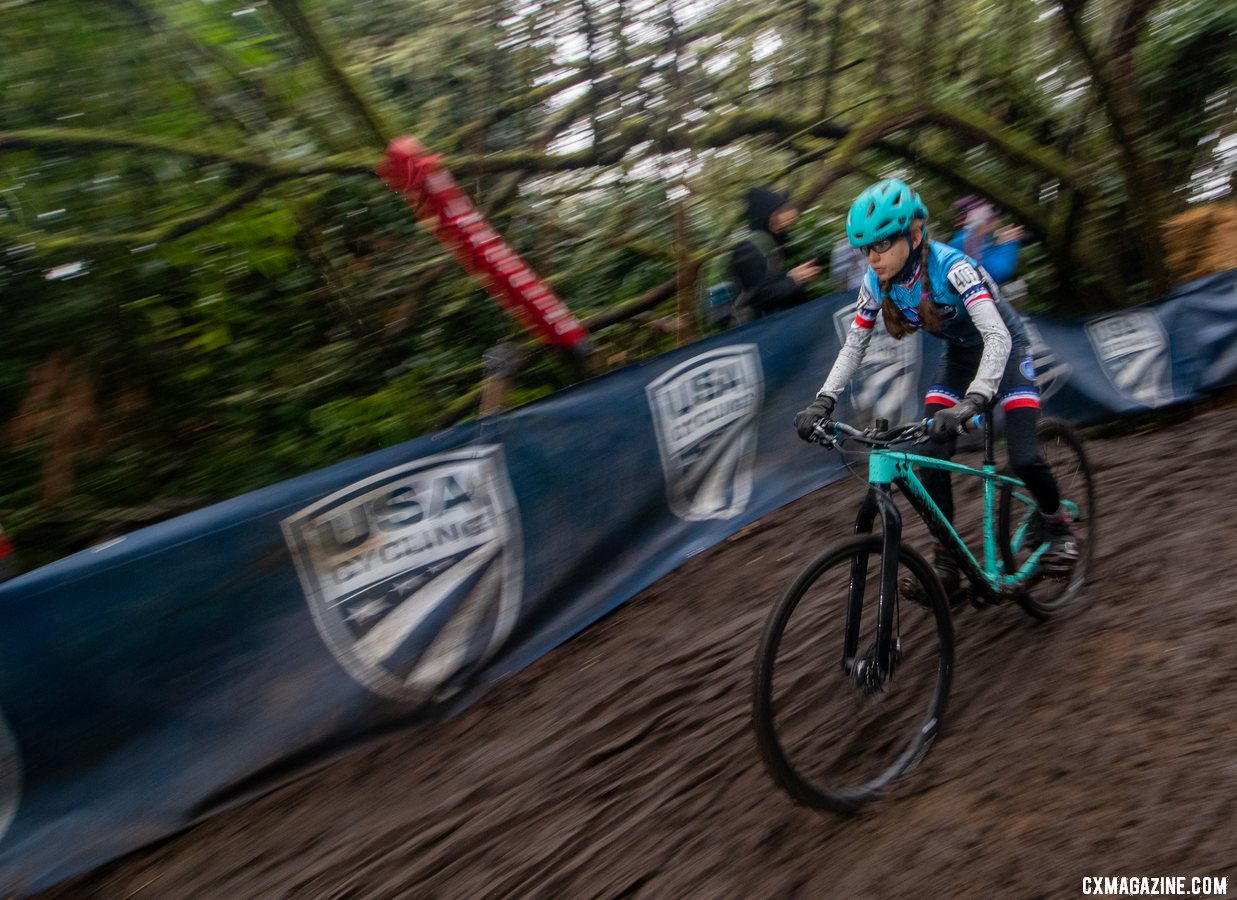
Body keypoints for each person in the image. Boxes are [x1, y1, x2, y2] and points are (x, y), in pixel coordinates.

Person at [793, 178, 1077, 601]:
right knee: (929, 458)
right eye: (865, 249)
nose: (874, 257)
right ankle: (947, 564)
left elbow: (997, 337)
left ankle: (1059, 527)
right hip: (961, 358)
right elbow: (855, 344)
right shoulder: (876, 281)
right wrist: (824, 399)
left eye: (883, 244)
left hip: (1006, 348)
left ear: (915, 233)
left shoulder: (952, 267)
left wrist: (977, 398)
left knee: (1024, 456)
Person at [728, 186, 821, 324]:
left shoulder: (769, 245)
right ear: (769, 216)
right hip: (758, 331)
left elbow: (768, 285)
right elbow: (757, 298)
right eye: (780, 213)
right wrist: (793, 280)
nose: (786, 227)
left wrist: (789, 277)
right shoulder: (747, 249)